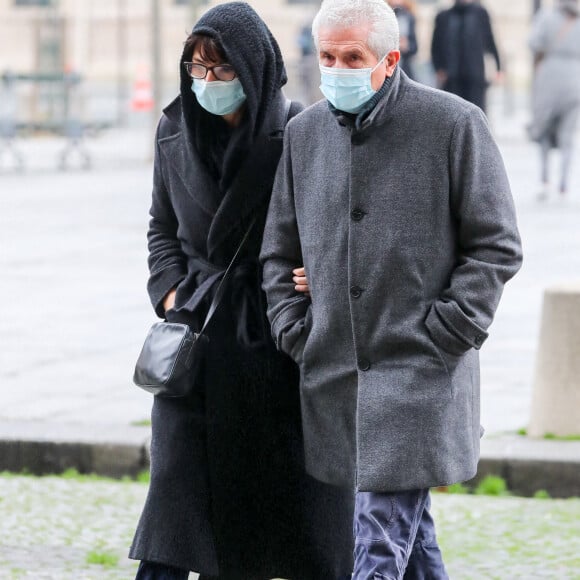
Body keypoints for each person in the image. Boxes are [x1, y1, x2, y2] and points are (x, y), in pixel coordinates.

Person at [260, 0, 523, 578]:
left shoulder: (454, 124)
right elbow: (278, 251)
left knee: (377, 549)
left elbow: (497, 244)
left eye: (352, 57)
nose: (336, 69)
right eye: (327, 55)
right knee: (411, 546)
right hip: (337, 374)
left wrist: (447, 330)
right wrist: (296, 328)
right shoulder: (303, 135)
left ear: (390, 59)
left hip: (420, 376)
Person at [128, 3, 354, 579]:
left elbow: (334, 221)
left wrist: (311, 278)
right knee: (177, 511)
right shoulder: (174, 128)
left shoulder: (299, 130)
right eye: (197, 70)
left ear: (251, 70)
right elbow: (160, 229)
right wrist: (173, 295)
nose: (207, 84)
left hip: (271, 344)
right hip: (198, 343)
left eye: (221, 72)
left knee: (279, 516)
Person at [528, 0, 580, 200]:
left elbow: (534, 42)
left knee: (544, 132)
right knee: (567, 136)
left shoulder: (546, 17)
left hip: (549, 78)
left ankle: (544, 180)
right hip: (575, 80)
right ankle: (564, 184)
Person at [431, 0, 501, 112]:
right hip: (451, 77)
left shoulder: (480, 14)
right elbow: (436, 46)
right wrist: (438, 68)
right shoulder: (443, 16)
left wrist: (498, 67)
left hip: (475, 77)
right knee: (452, 112)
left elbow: (490, 41)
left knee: (477, 112)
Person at [388, 0, 418, 79]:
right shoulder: (383, 16)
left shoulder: (409, 17)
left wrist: (406, 46)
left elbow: (414, 47)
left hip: (404, 67)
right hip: (388, 64)